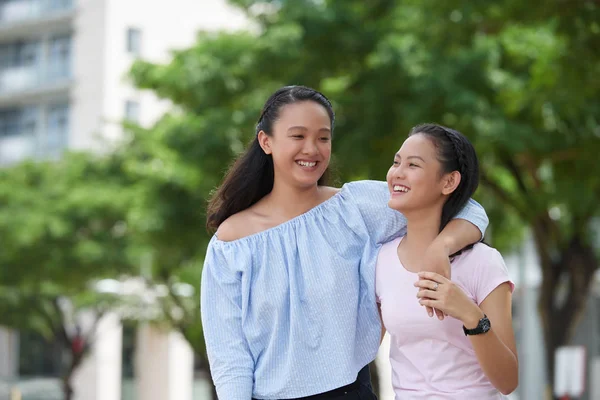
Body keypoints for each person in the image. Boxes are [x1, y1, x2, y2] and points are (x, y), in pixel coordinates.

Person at [200, 86, 489, 400]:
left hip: (352, 391)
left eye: (323, 138)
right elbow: (229, 357)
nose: (312, 149)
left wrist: (440, 246)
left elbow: (466, 206)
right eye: (298, 136)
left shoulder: (356, 208)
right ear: (265, 141)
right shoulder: (231, 243)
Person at [376, 123, 518, 399]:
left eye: (413, 165)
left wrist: (470, 314)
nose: (397, 173)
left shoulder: (482, 262)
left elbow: (508, 380)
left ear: (449, 182)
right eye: (396, 162)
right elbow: (364, 349)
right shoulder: (382, 260)